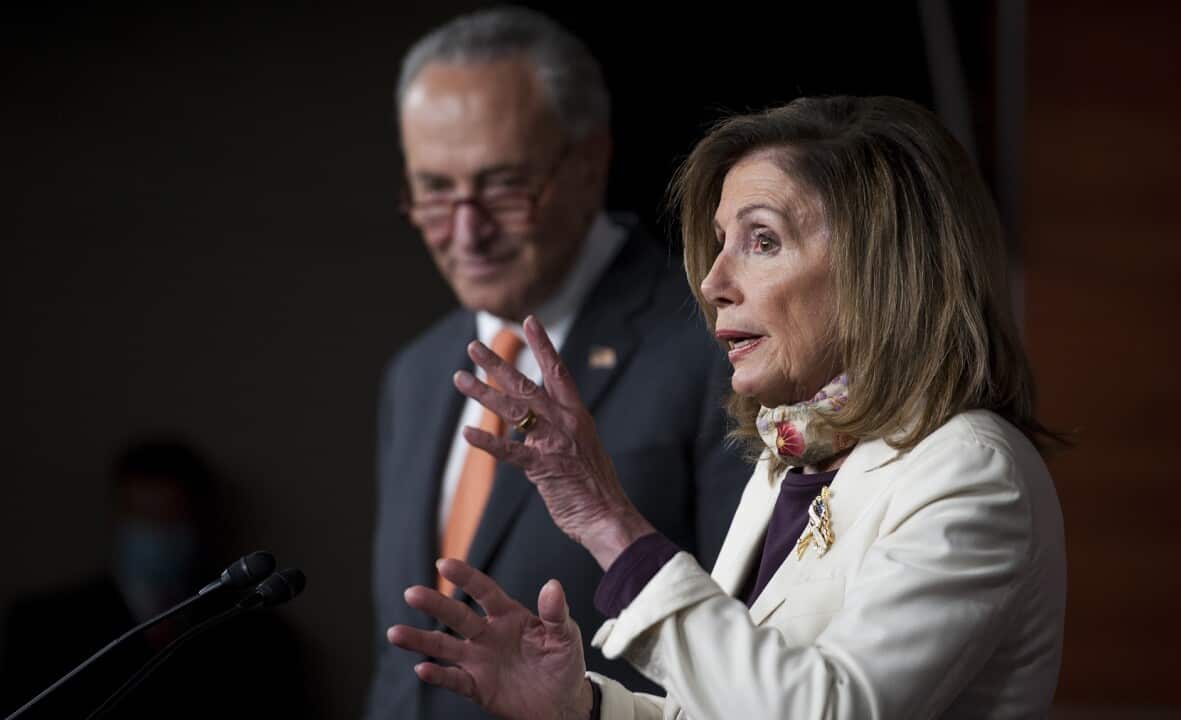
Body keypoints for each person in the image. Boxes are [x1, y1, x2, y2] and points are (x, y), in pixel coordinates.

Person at [385, 95, 1068, 719]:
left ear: (881, 268)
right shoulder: (789, 461)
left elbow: (825, 712)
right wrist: (581, 707)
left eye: (762, 241)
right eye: (720, 243)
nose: (713, 282)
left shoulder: (973, 470)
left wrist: (608, 524)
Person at [368, 7, 746, 718]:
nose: (467, 232)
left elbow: (745, 643)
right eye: (435, 190)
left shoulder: (717, 344)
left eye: (502, 186)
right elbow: (401, 667)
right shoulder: (414, 375)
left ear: (590, 162)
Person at [0, 438, 307, 719]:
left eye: (171, 518)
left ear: (199, 519)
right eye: (143, 517)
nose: (157, 534)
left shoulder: (253, 629)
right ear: (118, 515)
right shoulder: (43, 623)